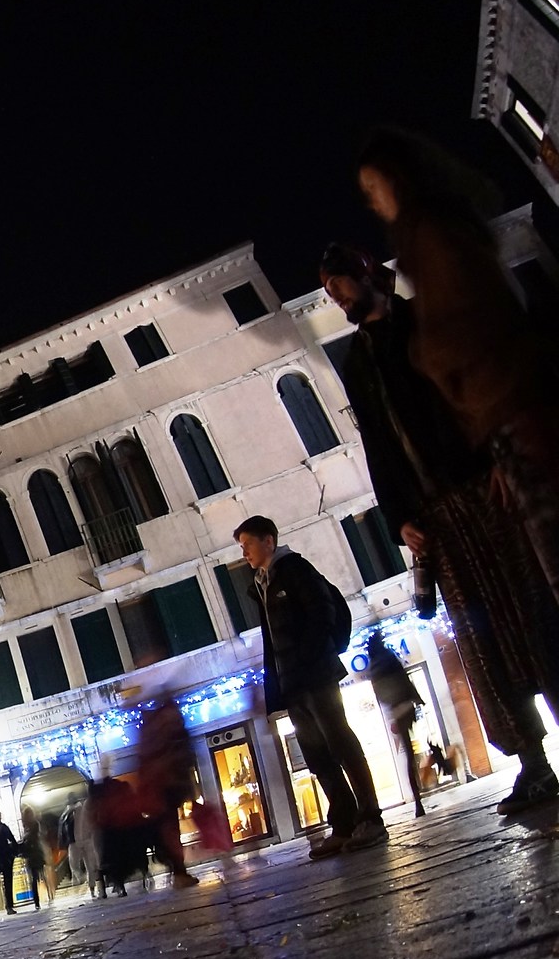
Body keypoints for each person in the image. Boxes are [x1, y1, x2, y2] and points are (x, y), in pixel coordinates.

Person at [322, 240, 559, 813]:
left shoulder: (426, 322)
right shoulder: (358, 363)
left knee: (532, 616)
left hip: (484, 487)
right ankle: (532, 763)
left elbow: (473, 391)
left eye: (341, 284)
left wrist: (500, 453)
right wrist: (400, 519)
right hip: (435, 515)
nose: (338, 298)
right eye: (329, 292)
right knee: (481, 643)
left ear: (369, 273)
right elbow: (377, 445)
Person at [357, 129, 559, 612]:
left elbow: (469, 328)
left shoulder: (432, 235)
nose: (371, 202)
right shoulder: (433, 237)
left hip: (515, 416)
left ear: (396, 178)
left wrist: (426, 353)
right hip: (504, 421)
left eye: (372, 188)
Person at [235, 515, 385, 857]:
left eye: (248, 544)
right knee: (316, 754)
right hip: (293, 682)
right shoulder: (262, 583)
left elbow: (323, 613)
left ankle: (370, 817)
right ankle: (344, 822)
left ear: (269, 541)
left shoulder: (295, 570)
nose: (244, 552)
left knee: (340, 742)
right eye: (242, 546)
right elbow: (272, 641)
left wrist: (308, 657)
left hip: (315, 674)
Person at [131, 700, 200, 890]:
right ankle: (178, 872)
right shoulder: (167, 736)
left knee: (168, 831)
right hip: (165, 789)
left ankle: (177, 870)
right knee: (170, 831)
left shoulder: (154, 736)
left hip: (162, 790)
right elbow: (178, 761)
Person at [365, 632, 429, 818]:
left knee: (408, 754)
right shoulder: (389, 658)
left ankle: (417, 799)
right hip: (406, 706)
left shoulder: (373, 667)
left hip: (396, 711)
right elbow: (403, 679)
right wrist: (417, 698)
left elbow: (380, 694)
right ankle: (418, 799)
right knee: (411, 753)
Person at [17, 807, 47, 905]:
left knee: (40, 876)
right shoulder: (26, 826)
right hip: (31, 854)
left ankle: (46, 895)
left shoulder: (35, 824)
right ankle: (37, 901)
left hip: (36, 853)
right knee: (34, 878)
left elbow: (34, 836)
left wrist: (25, 839)